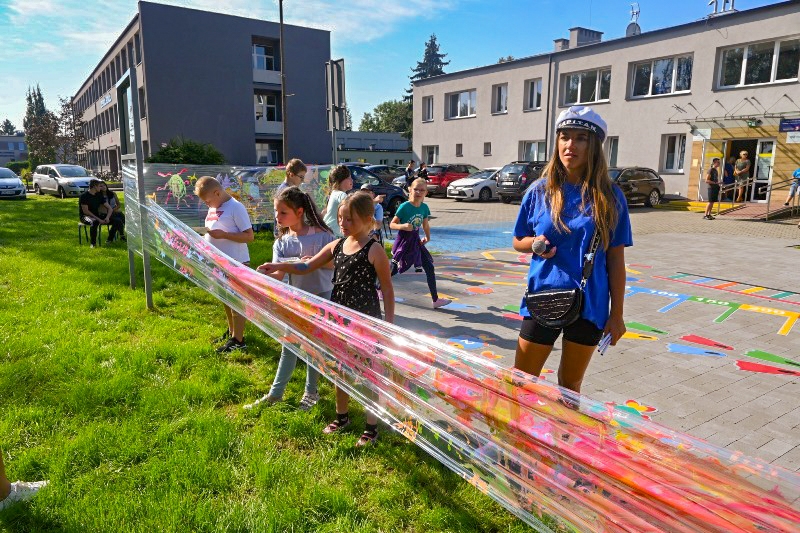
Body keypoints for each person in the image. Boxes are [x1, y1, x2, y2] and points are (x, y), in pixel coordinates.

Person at [512, 105, 632, 395]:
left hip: (590, 305)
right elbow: (519, 240)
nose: (570, 145)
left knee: (569, 387)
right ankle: (518, 437)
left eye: (581, 138)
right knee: (521, 381)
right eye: (564, 136)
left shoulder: (610, 196)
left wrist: (617, 315)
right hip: (543, 296)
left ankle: (560, 438)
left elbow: (616, 261)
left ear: (594, 146)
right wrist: (535, 244)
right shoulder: (540, 191)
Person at [258, 193, 395, 446]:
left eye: (349, 220)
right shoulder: (337, 245)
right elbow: (306, 266)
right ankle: (342, 418)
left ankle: (371, 426)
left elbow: (387, 288)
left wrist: (388, 323)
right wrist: (276, 266)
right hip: (340, 317)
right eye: (341, 218)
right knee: (340, 369)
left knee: (366, 373)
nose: (342, 223)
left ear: (367, 220)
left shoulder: (374, 249)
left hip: (365, 319)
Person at [246, 186, 335, 411]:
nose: (277, 217)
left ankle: (311, 392)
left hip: (321, 298)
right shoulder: (282, 242)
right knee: (290, 346)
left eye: (283, 212)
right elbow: (279, 274)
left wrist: (311, 261)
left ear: (299, 212)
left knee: (314, 347)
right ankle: (275, 394)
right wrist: (261, 274)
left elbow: (335, 264)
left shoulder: (324, 236)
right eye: (276, 212)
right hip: (295, 301)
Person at [195, 176, 255, 353]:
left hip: (235, 261)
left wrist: (224, 236)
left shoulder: (236, 207)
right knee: (226, 299)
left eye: (207, 200)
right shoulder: (215, 207)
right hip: (219, 261)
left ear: (217, 192)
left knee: (236, 300)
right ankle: (232, 332)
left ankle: (239, 339)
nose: (207, 204)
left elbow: (249, 236)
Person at [389, 178, 451, 309]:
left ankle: (435, 300)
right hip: (404, 241)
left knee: (429, 267)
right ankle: (377, 288)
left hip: (416, 241)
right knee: (395, 268)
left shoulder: (424, 207)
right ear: (410, 190)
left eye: (422, 190)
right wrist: (404, 226)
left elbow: (425, 224)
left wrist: (427, 238)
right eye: (416, 189)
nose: (418, 192)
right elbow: (392, 224)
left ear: (426, 193)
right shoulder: (404, 206)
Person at [273, 158, 307, 236]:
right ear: (291, 174)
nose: (302, 180)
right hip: (284, 233)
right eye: (301, 177)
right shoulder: (284, 192)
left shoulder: (289, 189)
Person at [322, 165, 353, 238]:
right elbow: (353, 208)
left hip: (329, 233)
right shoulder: (341, 194)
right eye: (349, 178)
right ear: (340, 180)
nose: (352, 180)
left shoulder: (334, 193)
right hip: (334, 236)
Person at [79, 179, 111, 248]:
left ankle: (110, 240)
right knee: (94, 222)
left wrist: (107, 217)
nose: (101, 188)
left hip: (97, 215)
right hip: (85, 216)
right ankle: (93, 244)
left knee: (116, 220)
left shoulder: (99, 195)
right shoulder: (84, 196)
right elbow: (86, 211)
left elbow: (109, 208)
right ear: (94, 186)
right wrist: (99, 219)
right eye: (99, 186)